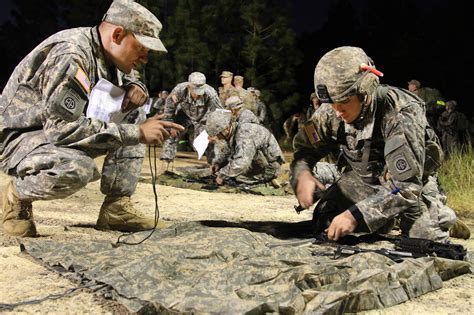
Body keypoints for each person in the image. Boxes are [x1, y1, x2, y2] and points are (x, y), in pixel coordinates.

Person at [0, 1, 184, 237]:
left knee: (134, 109)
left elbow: (114, 87)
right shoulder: (71, 54)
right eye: (141, 48)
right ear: (117, 34)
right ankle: (15, 198)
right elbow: (62, 129)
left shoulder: (106, 54)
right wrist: (137, 133)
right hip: (18, 139)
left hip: (48, 134)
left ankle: (116, 208)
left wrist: (134, 87)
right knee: (76, 167)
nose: (145, 58)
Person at [291, 46, 458, 242]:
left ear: (365, 89)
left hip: (407, 186)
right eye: (332, 103)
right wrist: (302, 172)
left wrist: (358, 214)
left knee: (423, 241)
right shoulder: (331, 111)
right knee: (327, 220)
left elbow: (406, 186)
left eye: (344, 101)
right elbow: (305, 148)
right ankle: (385, 221)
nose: (337, 111)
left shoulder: (400, 114)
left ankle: (441, 216)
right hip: (365, 179)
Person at [206, 110, 285, 186]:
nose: (217, 137)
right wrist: (218, 164)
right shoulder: (234, 132)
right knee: (231, 172)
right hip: (258, 163)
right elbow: (228, 151)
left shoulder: (244, 133)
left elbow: (242, 162)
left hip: (269, 168)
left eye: (217, 134)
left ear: (225, 129)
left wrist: (222, 174)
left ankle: (267, 180)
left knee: (235, 178)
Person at [160, 72, 222, 162]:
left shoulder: (210, 93)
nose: (198, 94)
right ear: (189, 86)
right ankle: (167, 158)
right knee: (172, 131)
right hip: (184, 114)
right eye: (195, 90)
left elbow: (219, 112)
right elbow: (170, 107)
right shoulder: (179, 90)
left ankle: (214, 163)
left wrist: (215, 131)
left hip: (203, 118)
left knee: (206, 141)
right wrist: (170, 125)